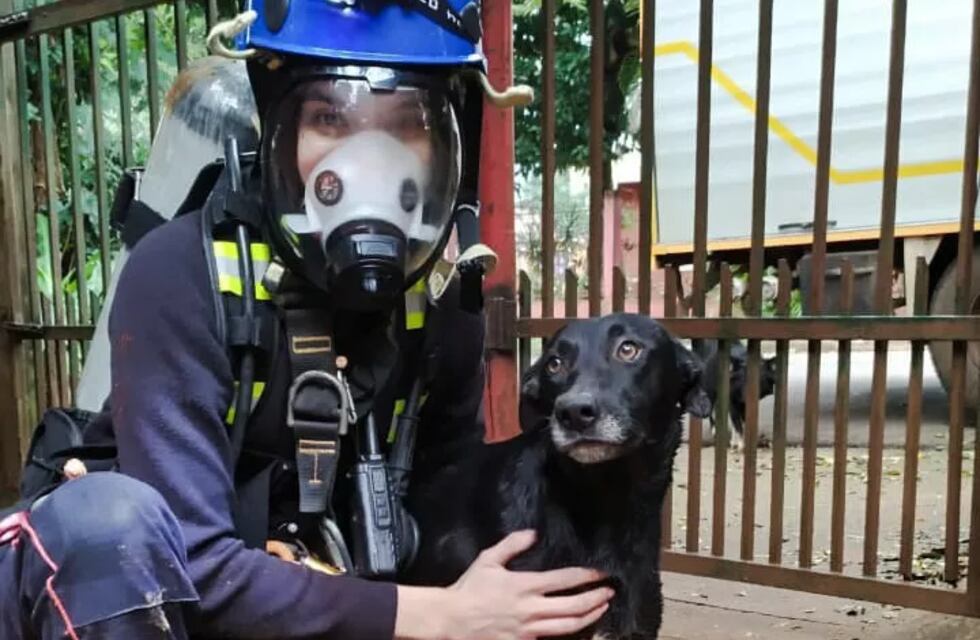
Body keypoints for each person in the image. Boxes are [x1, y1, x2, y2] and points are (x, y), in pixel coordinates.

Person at [0, 1, 614, 639]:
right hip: (126, 607)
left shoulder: (438, 309)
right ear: (279, 127)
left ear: (444, 144)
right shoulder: (180, 275)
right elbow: (194, 566)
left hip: (299, 603)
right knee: (108, 524)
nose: (367, 160)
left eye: (406, 123)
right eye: (329, 117)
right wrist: (440, 615)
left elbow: (451, 515)